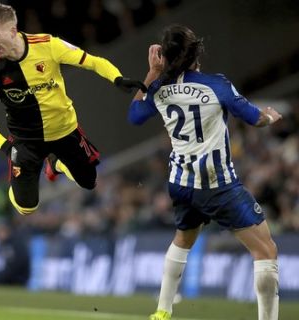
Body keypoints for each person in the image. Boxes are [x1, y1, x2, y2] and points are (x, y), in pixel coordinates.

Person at [128, 25, 281, 320]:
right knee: (266, 251)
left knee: (183, 240)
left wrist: (151, 74)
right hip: (217, 185)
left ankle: (162, 311)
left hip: (181, 184)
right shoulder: (217, 85)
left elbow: (134, 117)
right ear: (197, 52)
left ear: (164, 56)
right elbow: (254, 118)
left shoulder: (159, 87)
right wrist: (270, 117)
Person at [0, 4, 145, 215]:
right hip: (26, 141)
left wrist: (117, 78)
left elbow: (92, 61)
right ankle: (29, 178)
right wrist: (6, 147)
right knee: (26, 209)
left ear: (13, 31)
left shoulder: (47, 45)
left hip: (64, 129)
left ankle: (56, 164)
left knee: (89, 182)